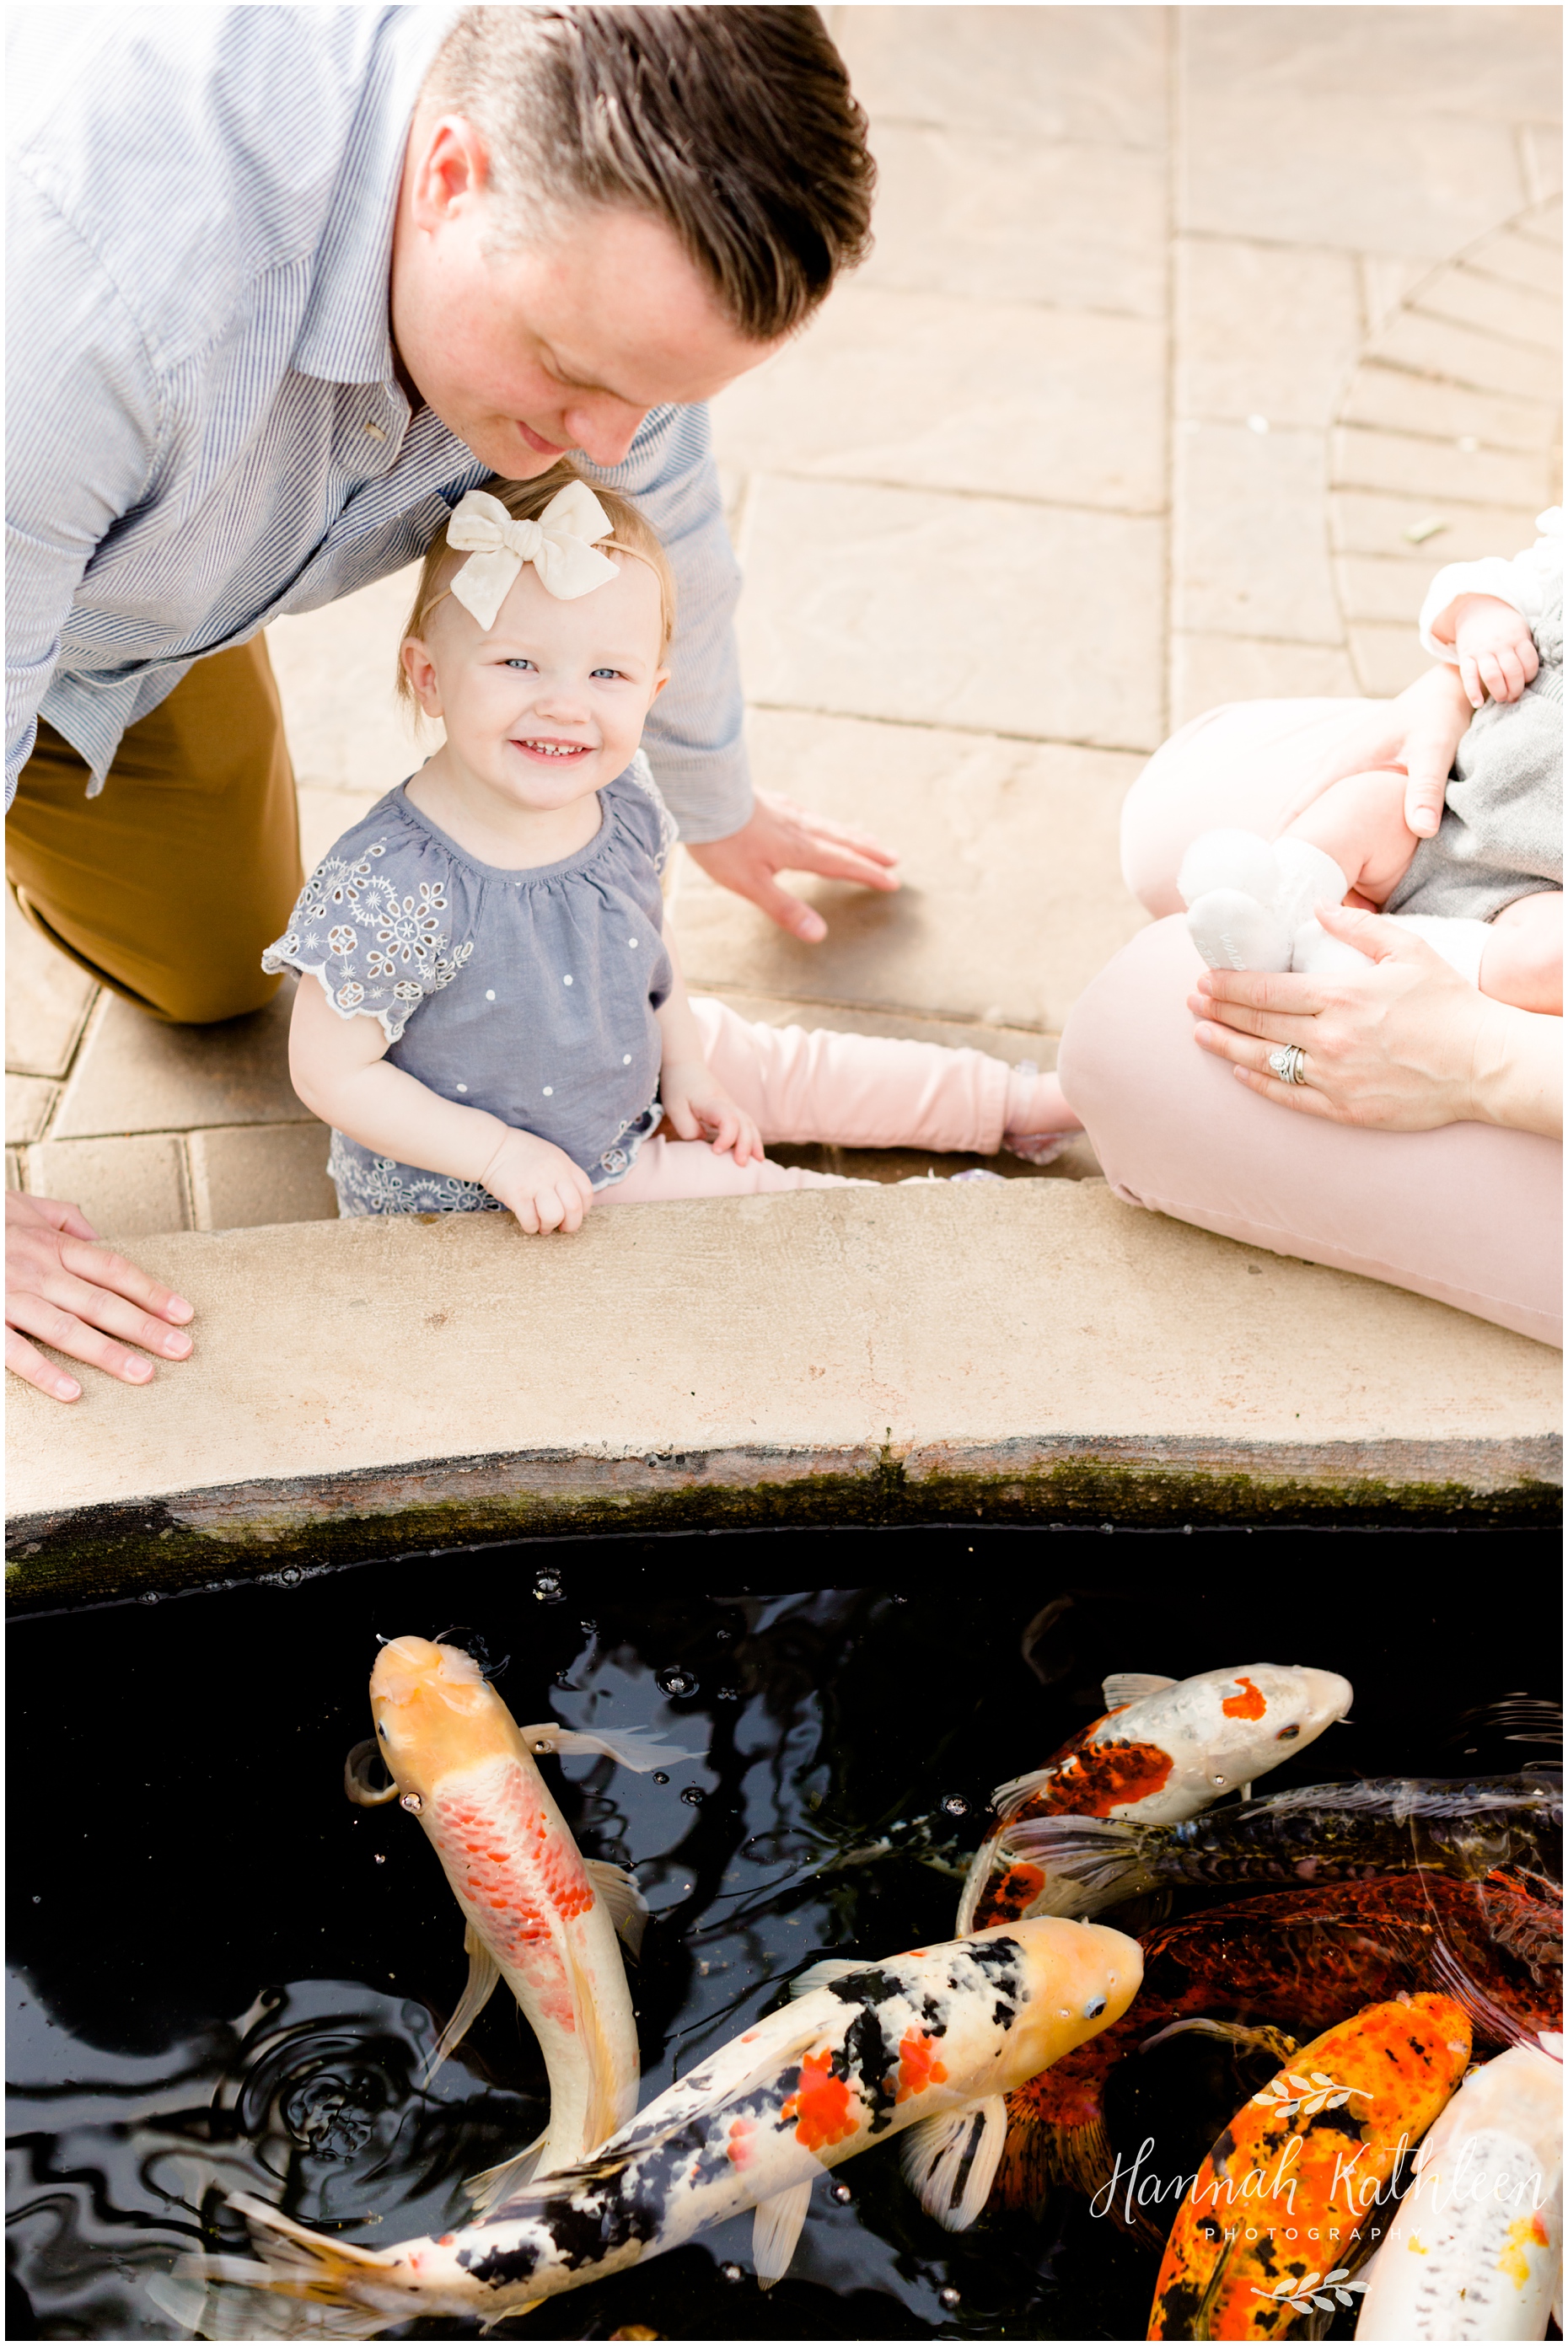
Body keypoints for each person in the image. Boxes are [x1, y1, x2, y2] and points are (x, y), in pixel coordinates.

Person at [6, 4, 895, 1399]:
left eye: (651, 399)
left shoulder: (605, 270)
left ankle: (144, 596)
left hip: (126, 606)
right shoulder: (82, 294)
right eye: (578, 378)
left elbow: (676, 543)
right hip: (36, 502)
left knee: (208, 960)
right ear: (447, 177)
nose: (602, 450)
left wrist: (717, 807)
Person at [271, 465, 1067, 1227]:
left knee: (789, 1065)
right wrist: (501, 1154)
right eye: (519, 663)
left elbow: (642, 937)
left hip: (622, 1040)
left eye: (607, 675)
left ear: (653, 689)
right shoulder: (392, 886)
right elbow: (330, 1071)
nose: (565, 706)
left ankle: (1013, 1103)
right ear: (429, 676)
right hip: (524, 1170)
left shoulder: (619, 799)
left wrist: (685, 1063)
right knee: (744, 1194)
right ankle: (946, 1220)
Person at [1054, 646, 1563, 1349]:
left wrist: (1483, 1057)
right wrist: (1454, 676)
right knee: (1181, 807)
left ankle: (1409, 958)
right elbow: (1502, 586)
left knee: (1128, 1032)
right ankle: (1297, 903)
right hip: (1518, 784)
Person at [1176, 511, 1562, 1013]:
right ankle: (1274, 912)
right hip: (1443, 819)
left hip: (1538, 902)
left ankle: (1362, 951)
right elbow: (1476, 586)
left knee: (1551, 961)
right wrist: (1480, 615)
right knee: (1361, 805)